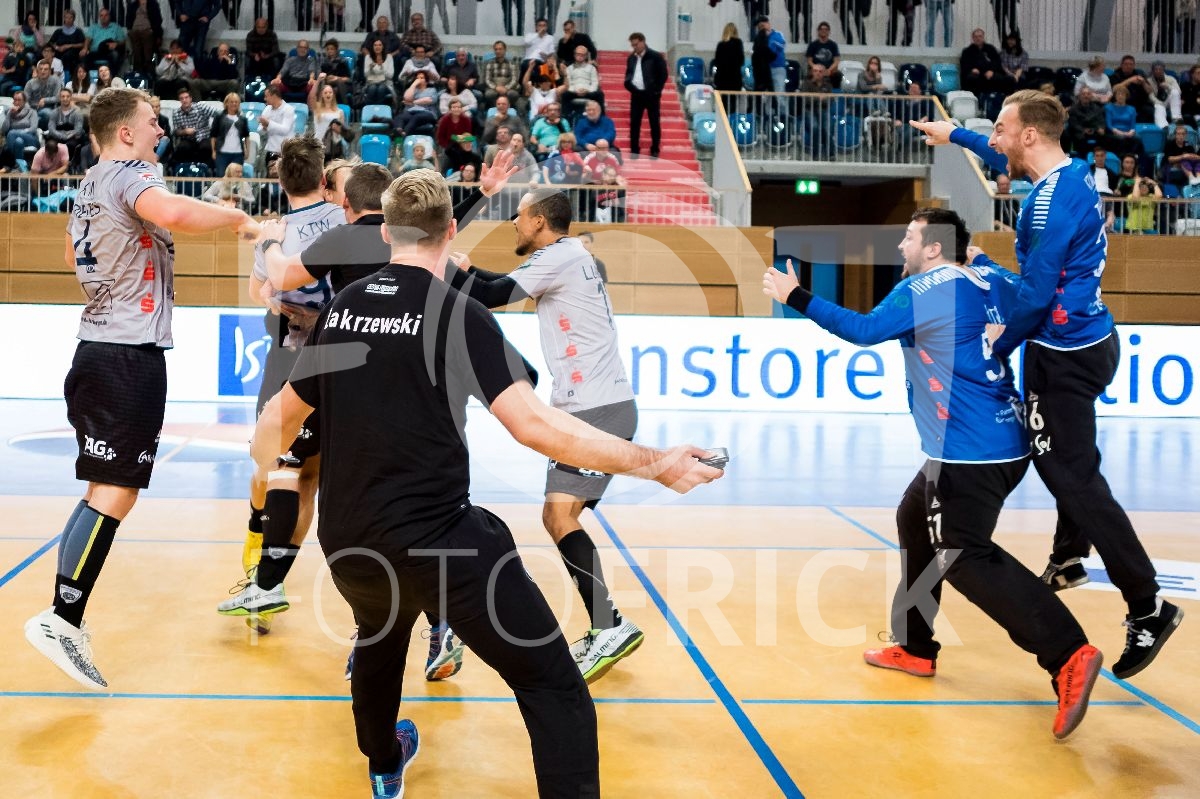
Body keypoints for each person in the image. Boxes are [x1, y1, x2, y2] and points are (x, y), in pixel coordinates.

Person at [250, 167, 720, 798]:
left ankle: (384, 763)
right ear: (451, 231)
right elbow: (534, 427)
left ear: (386, 232)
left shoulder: (343, 309)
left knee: (379, 639)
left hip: (349, 541)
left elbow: (274, 425)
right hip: (440, 544)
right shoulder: (459, 314)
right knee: (552, 685)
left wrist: (272, 476)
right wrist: (655, 462)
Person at [765, 204, 1104, 738]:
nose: (901, 245)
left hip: (968, 450)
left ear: (934, 247)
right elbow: (1026, 295)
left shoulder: (925, 288)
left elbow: (864, 330)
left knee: (964, 556)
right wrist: (981, 260)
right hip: (999, 438)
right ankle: (915, 645)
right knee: (914, 518)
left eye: (909, 236)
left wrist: (796, 297)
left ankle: (1068, 653)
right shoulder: (985, 278)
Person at [911, 91, 1184, 681]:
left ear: (1029, 136)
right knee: (1067, 465)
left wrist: (996, 346)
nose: (995, 139)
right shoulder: (1073, 174)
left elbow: (1035, 297)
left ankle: (1147, 604)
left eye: (1000, 129)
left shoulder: (1046, 205)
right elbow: (1003, 155)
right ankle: (1068, 555)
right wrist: (955, 136)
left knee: (1073, 478)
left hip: (1061, 357)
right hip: (1088, 339)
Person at [23, 87, 256, 691]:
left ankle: (65, 616)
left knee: (103, 490)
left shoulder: (90, 183)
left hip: (97, 350)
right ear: (125, 133)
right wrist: (239, 217)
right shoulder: (130, 174)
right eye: (153, 122)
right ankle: (62, 619)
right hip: (127, 357)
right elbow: (176, 213)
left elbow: (90, 248)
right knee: (116, 492)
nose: (162, 130)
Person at [446, 188, 648, 682]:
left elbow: (492, 295)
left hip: (594, 410)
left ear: (539, 220)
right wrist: (466, 270)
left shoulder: (558, 256)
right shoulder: (569, 255)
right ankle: (607, 623)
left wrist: (445, 268)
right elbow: (498, 284)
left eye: (518, 217)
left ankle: (609, 626)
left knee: (559, 517)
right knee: (560, 516)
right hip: (598, 406)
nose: (514, 224)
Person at [217, 135, 346, 632]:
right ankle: (271, 578)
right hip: (344, 359)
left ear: (280, 183)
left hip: (292, 357)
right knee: (311, 476)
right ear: (323, 179)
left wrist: (279, 294)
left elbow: (261, 292)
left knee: (279, 466)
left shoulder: (277, 232)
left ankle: (262, 565)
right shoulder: (345, 220)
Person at [624, 32, 666, 159]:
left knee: (654, 122)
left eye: (636, 44)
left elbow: (663, 75)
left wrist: (656, 91)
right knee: (634, 123)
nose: (634, 47)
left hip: (652, 95)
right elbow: (628, 74)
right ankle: (634, 149)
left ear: (643, 42)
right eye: (632, 45)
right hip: (636, 94)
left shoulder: (655, 56)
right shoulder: (631, 58)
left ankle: (655, 149)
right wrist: (629, 85)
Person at [960, 28, 1011, 95]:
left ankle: (1000, 98)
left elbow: (997, 62)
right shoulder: (967, 51)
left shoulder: (991, 48)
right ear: (973, 38)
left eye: (980, 36)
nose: (978, 38)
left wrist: (991, 71)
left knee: (1005, 79)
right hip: (976, 73)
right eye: (976, 37)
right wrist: (972, 69)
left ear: (983, 37)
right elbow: (964, 64)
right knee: (972, 78)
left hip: (990, 72)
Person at [210, 92, 250, 178]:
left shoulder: (243, 118)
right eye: (231, 102)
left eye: (236, 102)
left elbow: (246, 136)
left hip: (238, 154)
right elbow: (213, 135)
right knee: (221, 176)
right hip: (222, 153)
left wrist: (247, 150)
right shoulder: (219, 116)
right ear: (226, 103)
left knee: (236, 177)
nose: (234, 104)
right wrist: (213, 151)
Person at [259, 85, 297, 161]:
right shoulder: (267, 109)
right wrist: (264, 127)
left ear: (274, 96)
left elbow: (285, 130)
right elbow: (260, 130)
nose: (264, 99)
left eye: (266, 96)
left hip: (285, 151)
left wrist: (268, 124)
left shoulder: (288, 109)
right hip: (271, 149)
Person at [83, 6, 127, 72]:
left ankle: (112, 76)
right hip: (96, 52)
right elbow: (88, 38)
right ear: (99, 17)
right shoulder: (94, 27)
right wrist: (85, 48)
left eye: (106, 15)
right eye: (101, 15)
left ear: (109, 16)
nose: (103, 17)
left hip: (109, 52)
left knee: (115, 55)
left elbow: (122, 41)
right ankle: (92, 76)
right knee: (85, 56)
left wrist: (116, 44)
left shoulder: (116, 27)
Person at [125, 0, 164, 74]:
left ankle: (148, 70)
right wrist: (130, 29)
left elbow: (158, 20)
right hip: (135, 30)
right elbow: (128, 19)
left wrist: (156, 32)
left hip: (148, 30)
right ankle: (138, 70)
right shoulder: (133, 5)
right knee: (136, 50)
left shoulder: (153, 4)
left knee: (147, 48)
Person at [713, 22, 745, 109]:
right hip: (735, 79)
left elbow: (716, 62)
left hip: (722, 79)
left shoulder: (720, 45)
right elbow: (741, 61)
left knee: (723, 106)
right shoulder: (738, 43)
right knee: (733, 105)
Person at [2, 91, 41, 161]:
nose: (17, 102)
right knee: (18, 142)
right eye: (15, 100)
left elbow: (33, 128)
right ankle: (21, 165)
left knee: (11, 133)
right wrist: (9, 114)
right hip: (14, 140)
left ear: (24, 101)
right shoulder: (10, 112)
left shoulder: (32, 112)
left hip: (31, 138)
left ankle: (10, 162)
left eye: (19, 100)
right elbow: (4, 130)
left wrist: (19, 132)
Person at [484, 40, 521, 110]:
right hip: (494, 87)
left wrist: (506, 88)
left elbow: (514, 80)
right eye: (496, 49)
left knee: (513, 94)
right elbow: (487, 80)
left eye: (500, 49)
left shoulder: (511, 63)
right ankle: (494, 109)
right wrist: (496, 87)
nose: (498, 51)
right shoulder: (489, 63)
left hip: (508, 87)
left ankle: (509, 108)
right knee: (489, 94)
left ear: (505, 50)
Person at [49, 9, 87, 77]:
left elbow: (82, 44)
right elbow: (51, 43)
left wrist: (69, 46)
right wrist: (57, 48)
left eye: (70, 17)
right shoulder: (59, 31)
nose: (68, 19)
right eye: (66, 17)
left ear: (74, 19)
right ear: (64, 18)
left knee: (67, 56)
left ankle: (66, 75)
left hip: (73, 53)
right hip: (59, 52)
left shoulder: (78, 31)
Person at [245, 17, 283, 82]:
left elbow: (276, 50)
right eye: (259, 27)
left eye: (263, 27)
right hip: (255, 57)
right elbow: (248, 50)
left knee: (277, 59)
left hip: (269, 57)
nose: (261, 29)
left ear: (267, 27)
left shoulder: (272, 34)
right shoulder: (251, 35)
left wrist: (267, 55)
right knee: (248, 60)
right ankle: (250, 80)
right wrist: (254, 55)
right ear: (255, 27)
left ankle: (274, 80)